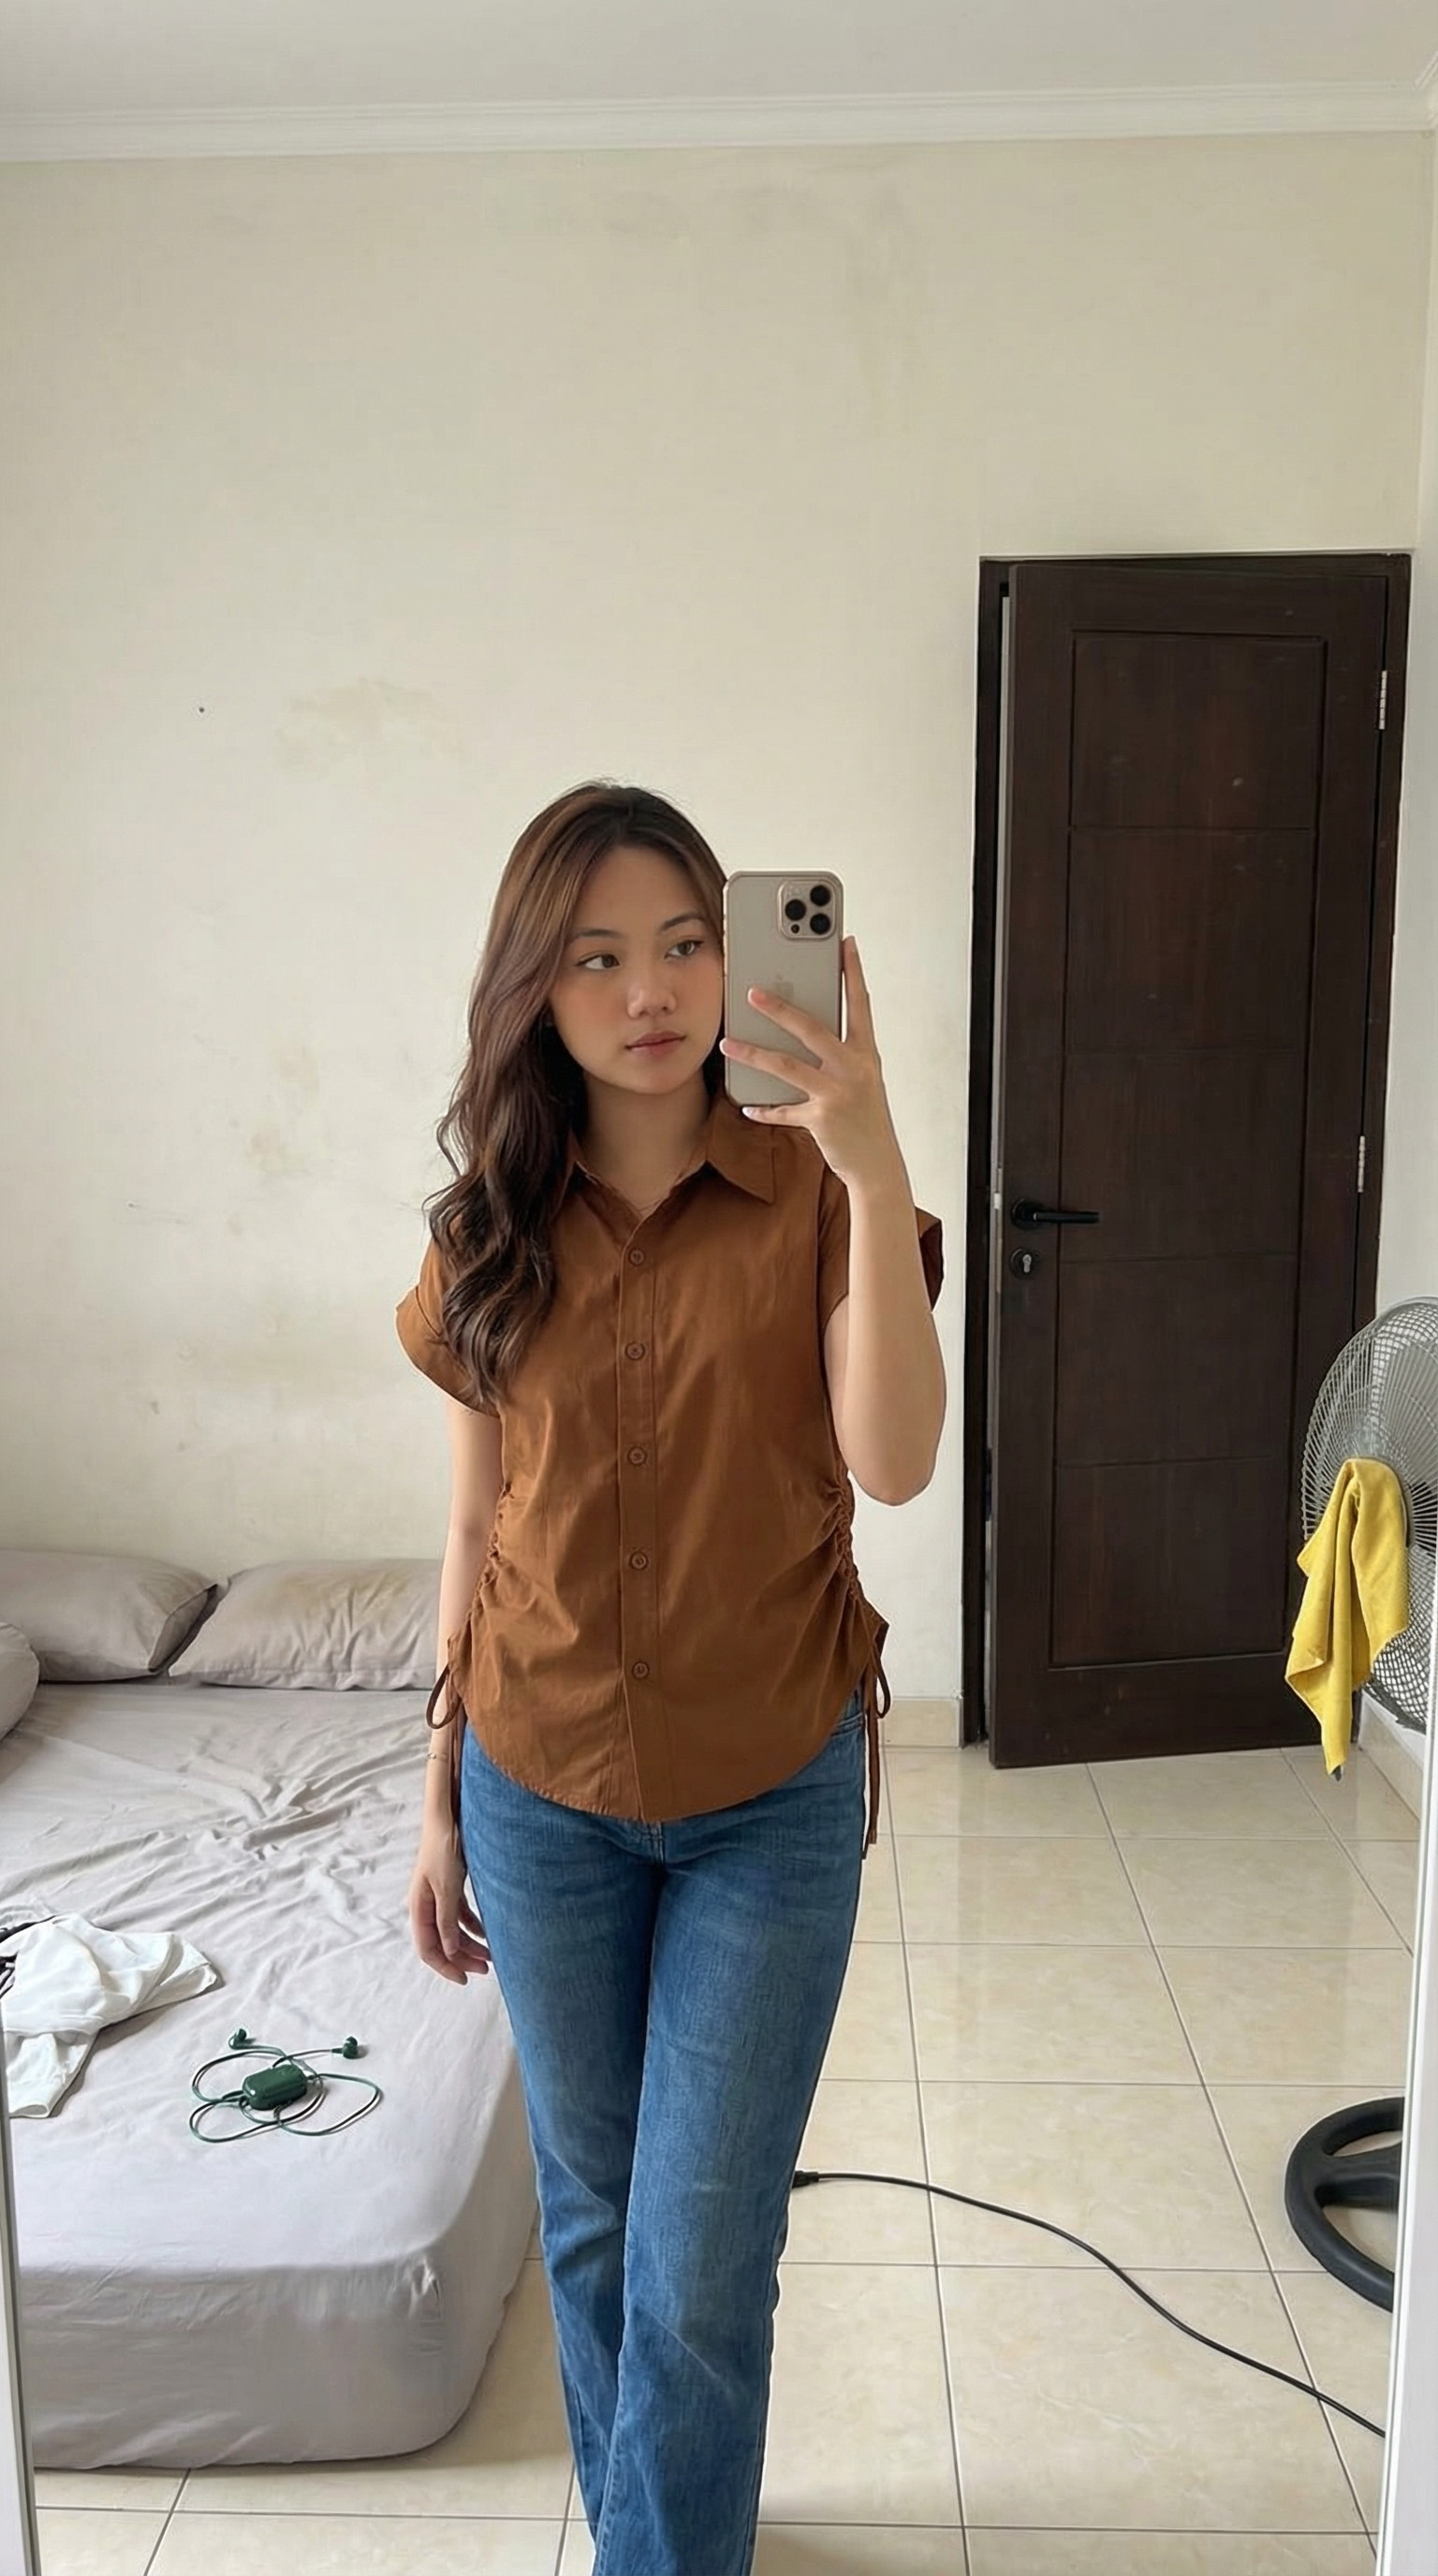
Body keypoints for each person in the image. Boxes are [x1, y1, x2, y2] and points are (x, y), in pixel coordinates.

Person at [397, 780, 945, 2576]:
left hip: (767, 1797)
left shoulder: (818, 1191)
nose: (651, 991)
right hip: (538, 1786)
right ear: (532, 988)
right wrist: (436, 1793)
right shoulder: (487, 1224)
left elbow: (895, 1462)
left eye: (689, 943)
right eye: (596, 956)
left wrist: (875, 1159)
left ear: (740, 956)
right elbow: (477, 1520)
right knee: (594, 2224)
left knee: (700, 2262)